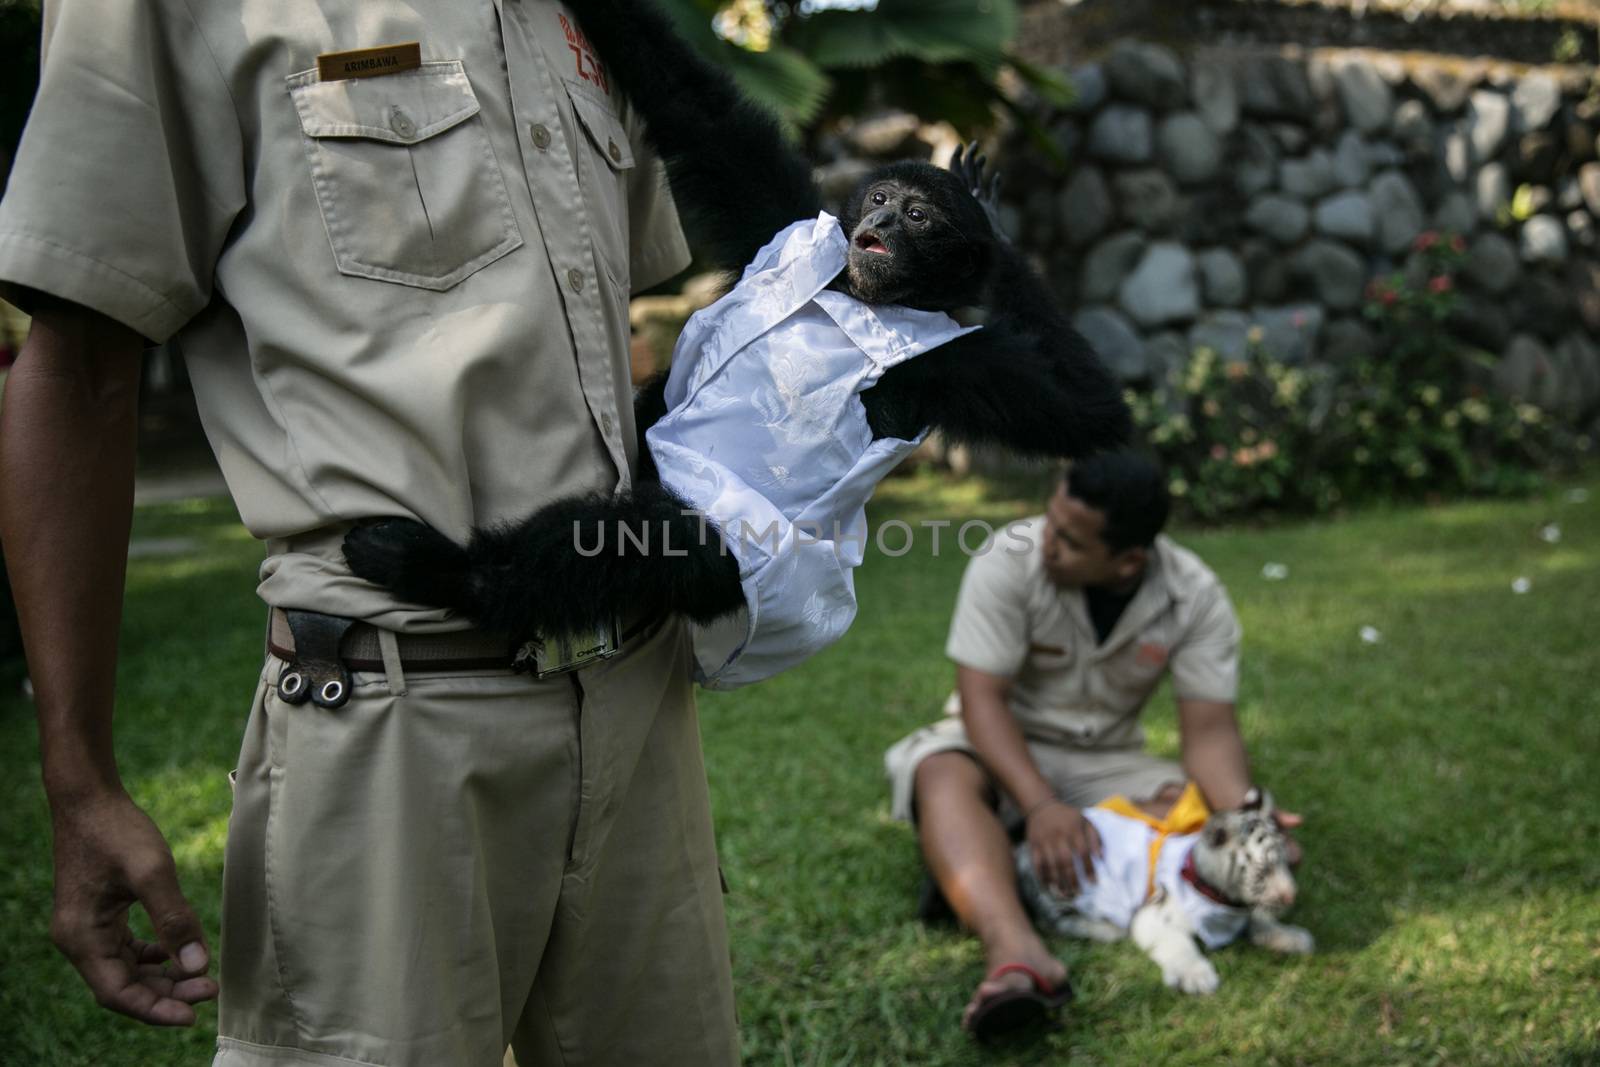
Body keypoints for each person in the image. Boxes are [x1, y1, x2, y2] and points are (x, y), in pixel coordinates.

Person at [0, 3, 740, 1064]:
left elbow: (593, 325)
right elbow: (72, 369)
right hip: (395, 712)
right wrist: (79, 778)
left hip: (639, 700)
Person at [882, 451, 1300, 1037]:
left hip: (1108, 759)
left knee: (1195, 814)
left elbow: (1208, 733)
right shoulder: (1008, 559)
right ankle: (1016, 950)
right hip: (997, 743)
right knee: (938, 774)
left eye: (1072, 542)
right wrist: (1041, 804)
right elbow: (981, 700)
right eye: (1052, 522)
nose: (1049, 543)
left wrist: (1248, 816)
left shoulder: (1195, 594)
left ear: (1128, 562)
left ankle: (988, 864)